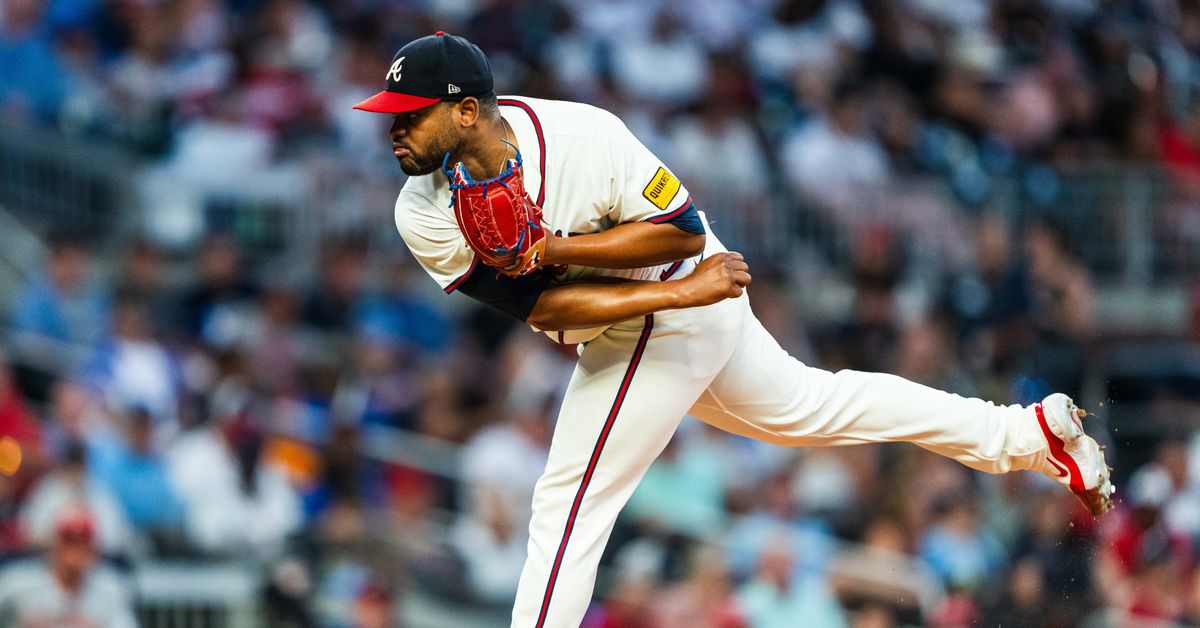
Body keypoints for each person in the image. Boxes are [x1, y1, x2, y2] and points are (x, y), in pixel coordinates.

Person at [354, 32, 1114, 628]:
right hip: (655, 312)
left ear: (463, 110)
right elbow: (549, 310)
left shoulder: (582, 137)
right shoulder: (420, 210)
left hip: (683, 284)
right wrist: (608, 279)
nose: (393, 132)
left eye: (407, 115)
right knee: (816, 411)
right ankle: (1026, 435)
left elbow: (681, 233)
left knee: (568, 503)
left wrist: (563, 254)